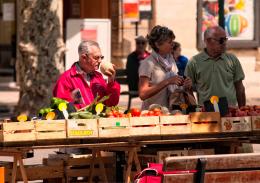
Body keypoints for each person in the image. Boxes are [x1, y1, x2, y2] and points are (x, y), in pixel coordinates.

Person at [185, 26, 246, 107]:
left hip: (230, 112)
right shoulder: (194, 62)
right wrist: (195, 109)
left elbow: (240, 88)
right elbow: (188, 90)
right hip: (206, 113)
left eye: (225, 39)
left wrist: (242, 110)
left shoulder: (232, 59)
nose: (224, 43)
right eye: (221, 40)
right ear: (208, 41)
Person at [53, 40, 120, 109]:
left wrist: (111, 82)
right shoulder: (66, 79)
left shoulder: (98, 77)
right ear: (84, 57)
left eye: (101, 57)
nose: (100, 61)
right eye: (96, 58)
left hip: (99, 119)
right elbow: (62, 108)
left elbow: (111, 104)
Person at [138, 25, 192, 110]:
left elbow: (174, 87)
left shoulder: (171, 60)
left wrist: (184, 85)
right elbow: (143, 94)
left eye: (173, 41)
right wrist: (168, 81)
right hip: (153, 114)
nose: (173, 45)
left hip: (171, 112)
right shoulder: (148, 63)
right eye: (170, 42)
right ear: (158, 44)